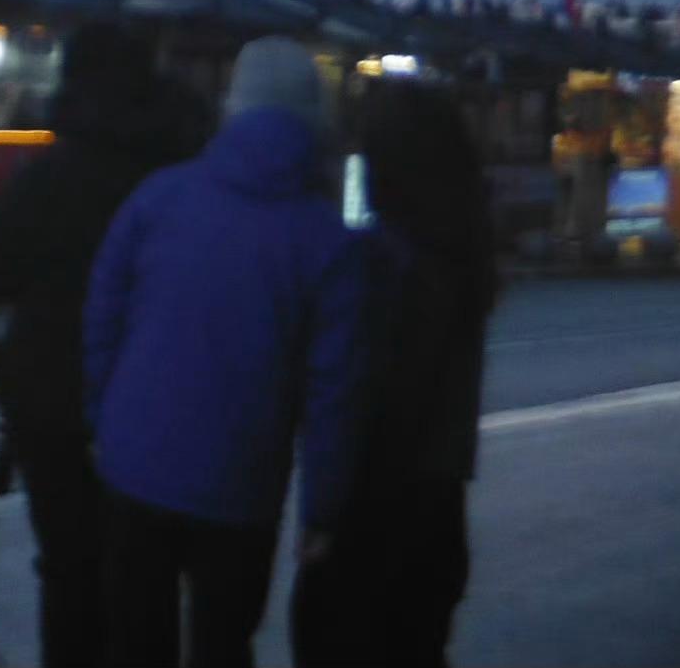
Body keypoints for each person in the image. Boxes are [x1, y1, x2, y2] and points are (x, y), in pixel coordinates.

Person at [84, 35, 365, 668]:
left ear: (231, 107)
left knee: (135, 644)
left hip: (134, 463)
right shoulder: (326, 241)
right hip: (241, 484)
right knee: (223, 645)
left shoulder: (159, 196)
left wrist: (102, 416)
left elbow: (103, 314)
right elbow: (333, 392)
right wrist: (322, 509)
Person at [0, 23, 209, 666]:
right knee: (146, 575)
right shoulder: (182, 170)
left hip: (54, 396)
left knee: (70, 567)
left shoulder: (51, 177)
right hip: (160, 400)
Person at [291, 81, 497, 668]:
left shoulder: (384, 269)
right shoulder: (462, 256)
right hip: (437, 515)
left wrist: (324, 513)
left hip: (375, 518)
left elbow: (356, 403)